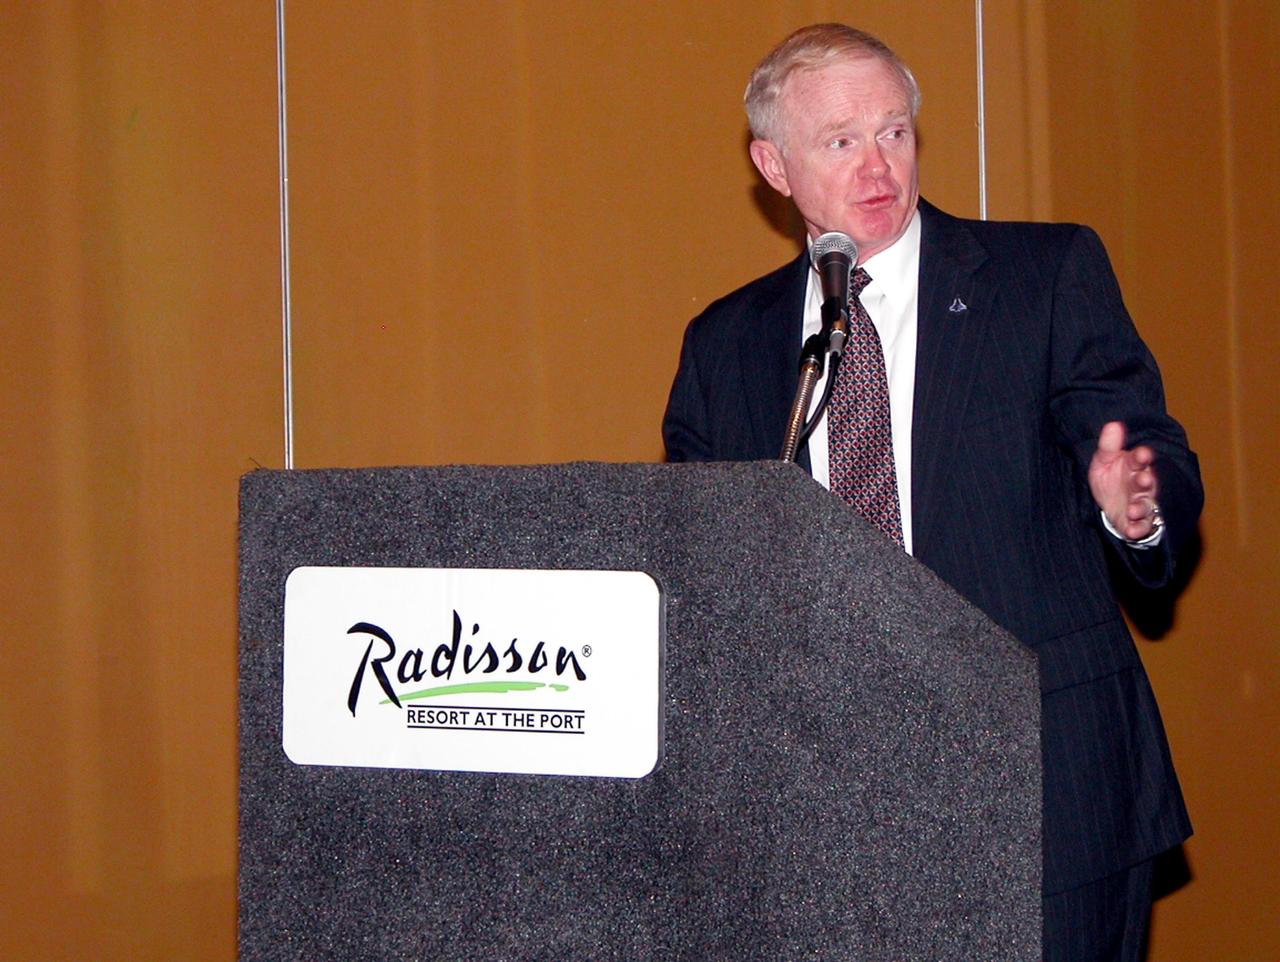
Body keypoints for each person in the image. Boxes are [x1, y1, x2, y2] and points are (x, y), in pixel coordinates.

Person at [663, 23, 1202, 962]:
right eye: (841, 141)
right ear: (773, 165)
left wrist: (1137, 507)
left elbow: (1144, 448)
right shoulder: (726, 346)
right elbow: (696, 572)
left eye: (896, 132)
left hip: (1043, 791)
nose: (879, 166)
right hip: (822, 810)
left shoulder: (1041, 278)